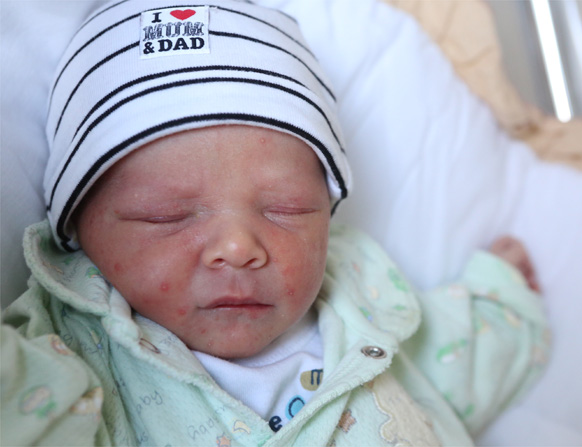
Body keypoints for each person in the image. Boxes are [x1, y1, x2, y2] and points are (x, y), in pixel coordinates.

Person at [1, 1, 549, 445]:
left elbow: (446, 361)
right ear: (77, 229)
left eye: (286, 208)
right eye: (166, 215)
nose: (238, 246)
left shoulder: (364, 305)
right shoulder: (63, 359)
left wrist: (497, 301)